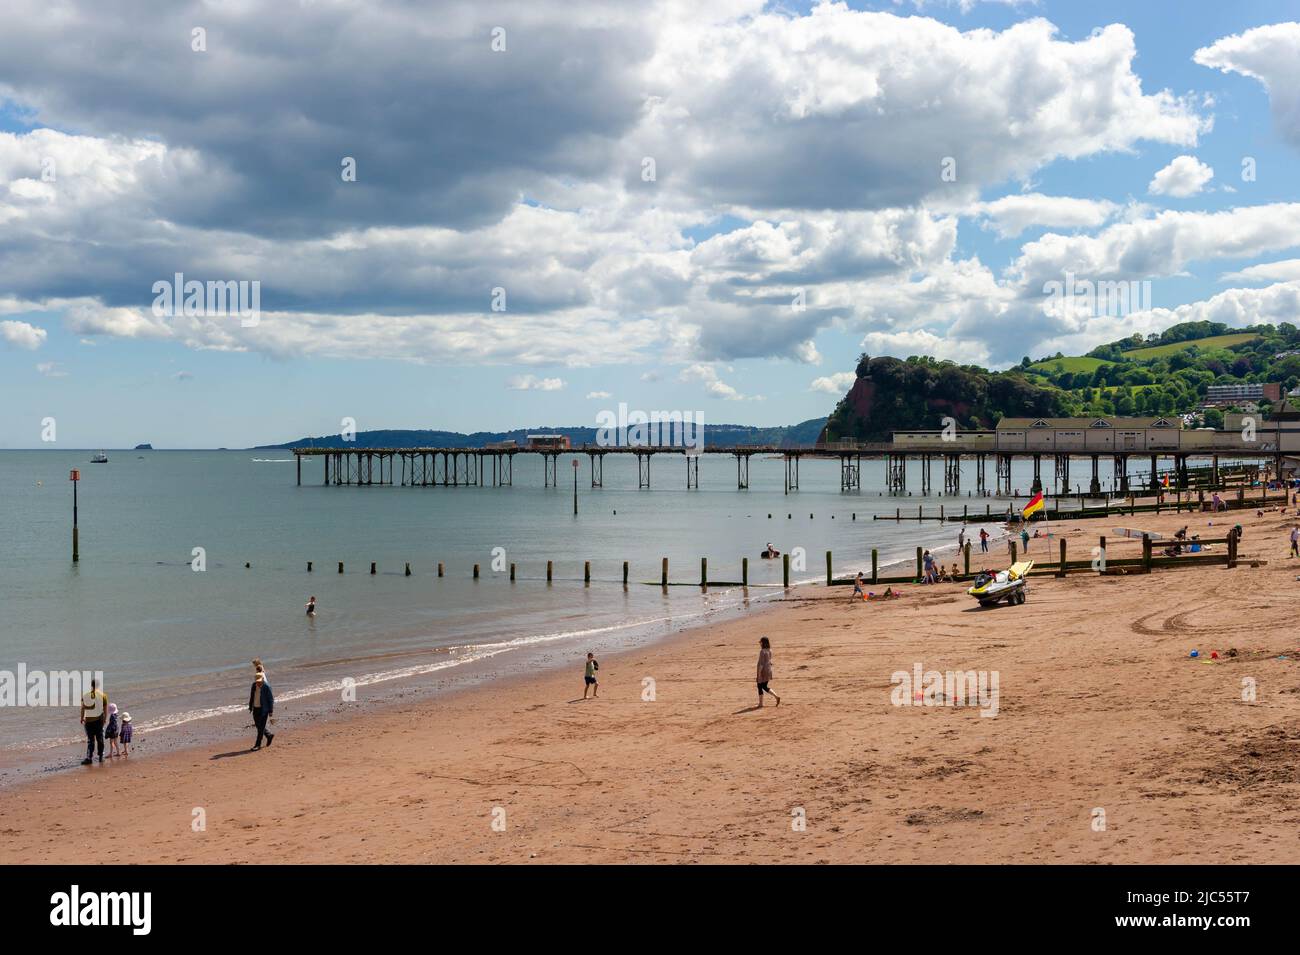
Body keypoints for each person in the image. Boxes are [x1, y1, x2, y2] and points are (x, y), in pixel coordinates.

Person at [80, 678, 108, 765]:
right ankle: (101, 757)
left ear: (91, 685)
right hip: (99, 720)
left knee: (90, 740)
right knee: (100, 739)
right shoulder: (103, 695)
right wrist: (104, 719)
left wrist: (82, 718)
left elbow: (83, 708)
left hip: (89, 721)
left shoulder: (86, 695)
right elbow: (105, 709)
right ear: (99, 686)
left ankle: (89, 758)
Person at [248, 670, 275, 751]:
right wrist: (250, 706)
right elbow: (252, 696)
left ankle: (257, 745)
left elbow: (270, 699)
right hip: (255, 708)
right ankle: (269, 735)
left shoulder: (267, 687)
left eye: (260, 681)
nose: (258, 683)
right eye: (257, 682)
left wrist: (270, 711)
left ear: (263, 679)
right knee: (257, 725)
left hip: (264, 709)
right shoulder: (253, 685)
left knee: (261, 728)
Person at [756, 637, 780, 707]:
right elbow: (769, 661)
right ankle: (776, 697)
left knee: (760, 686)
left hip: (763, 671)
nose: (760, 643)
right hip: (768, 670)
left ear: (763, 643)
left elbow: (761, 663)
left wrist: (759, 673)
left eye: (760, 642)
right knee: (764, 686)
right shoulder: (770, 650)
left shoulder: (762, 651)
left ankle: (761, 704)